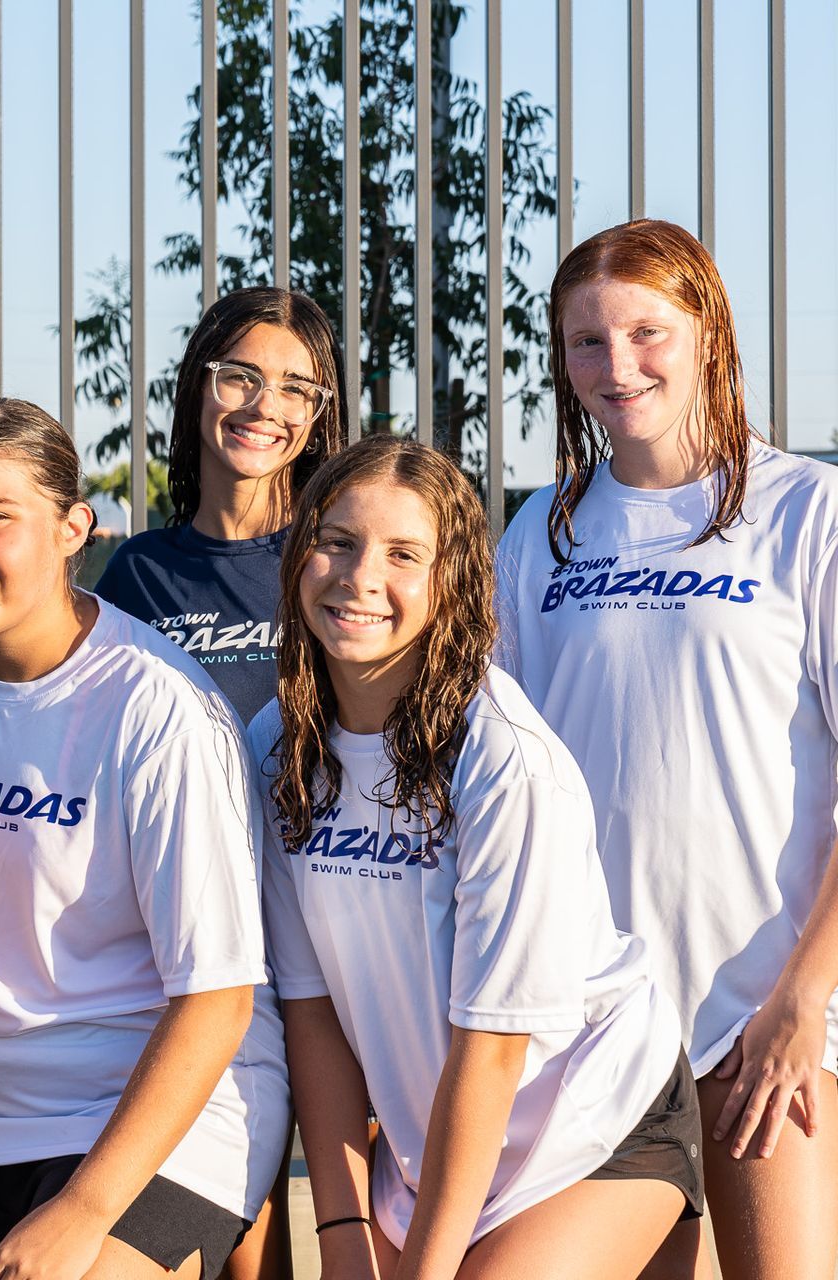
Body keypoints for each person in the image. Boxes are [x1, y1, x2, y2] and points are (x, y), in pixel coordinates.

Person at [0, 398, 289, 1280]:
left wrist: (86, 1211)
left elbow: (216, 1000)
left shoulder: (159, 708)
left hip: (163, 1109)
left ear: (72, 530)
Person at [252, 433, 697, 1279]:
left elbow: (492, 1047)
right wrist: (343, 1233)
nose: (359, 576)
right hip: (432, 1147)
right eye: (336, 540)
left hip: (588, 1123)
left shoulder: (501, 760)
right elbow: (312, 1014)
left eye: (403, 554)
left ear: (451, 582)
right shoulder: (278, 746)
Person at [495, 218, 838, 1280]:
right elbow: (498, 780)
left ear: (708, 334)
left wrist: (803, 998)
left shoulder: (803, 509)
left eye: (648, 331)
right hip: (595, 1037)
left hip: (759, 1020)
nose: (619, 365)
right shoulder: (541, 530)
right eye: (586, 341)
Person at [95, 286, 344, 728]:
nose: (265, 406)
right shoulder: (138, 573)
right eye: (240, 376)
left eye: (295, 388)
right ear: (198, 387)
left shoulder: (337, 559)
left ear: (319, 414)